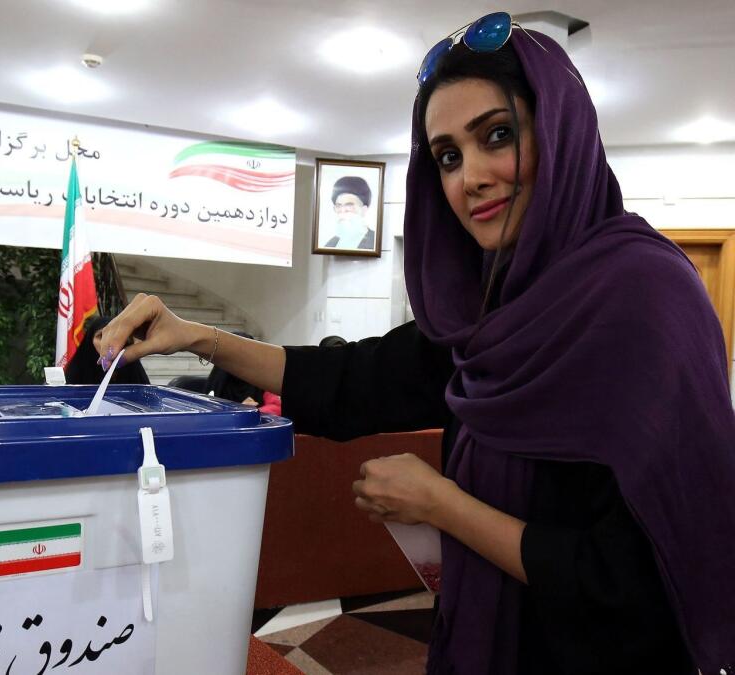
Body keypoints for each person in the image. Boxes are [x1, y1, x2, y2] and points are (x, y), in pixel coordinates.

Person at [94, 17, 735, 675]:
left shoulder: (645, 297)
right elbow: (352, 380)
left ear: (561, 135)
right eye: (448, 156)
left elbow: (635, 581)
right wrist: (200, 337)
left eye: (498, 135)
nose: (471, 177)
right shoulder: (493, 310)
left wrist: (441, 505)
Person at [65, 315, 149, 385]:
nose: (107, 342)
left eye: (114, 336)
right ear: (90, 340)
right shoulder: (77, 370)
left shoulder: (133, 367)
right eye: (101, 336)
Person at [323, 175, 375, 250]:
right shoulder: (331, 244)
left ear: (364, 210)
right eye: (339, 206)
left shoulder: (374, 241)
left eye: (349, 205)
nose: (343, 211)